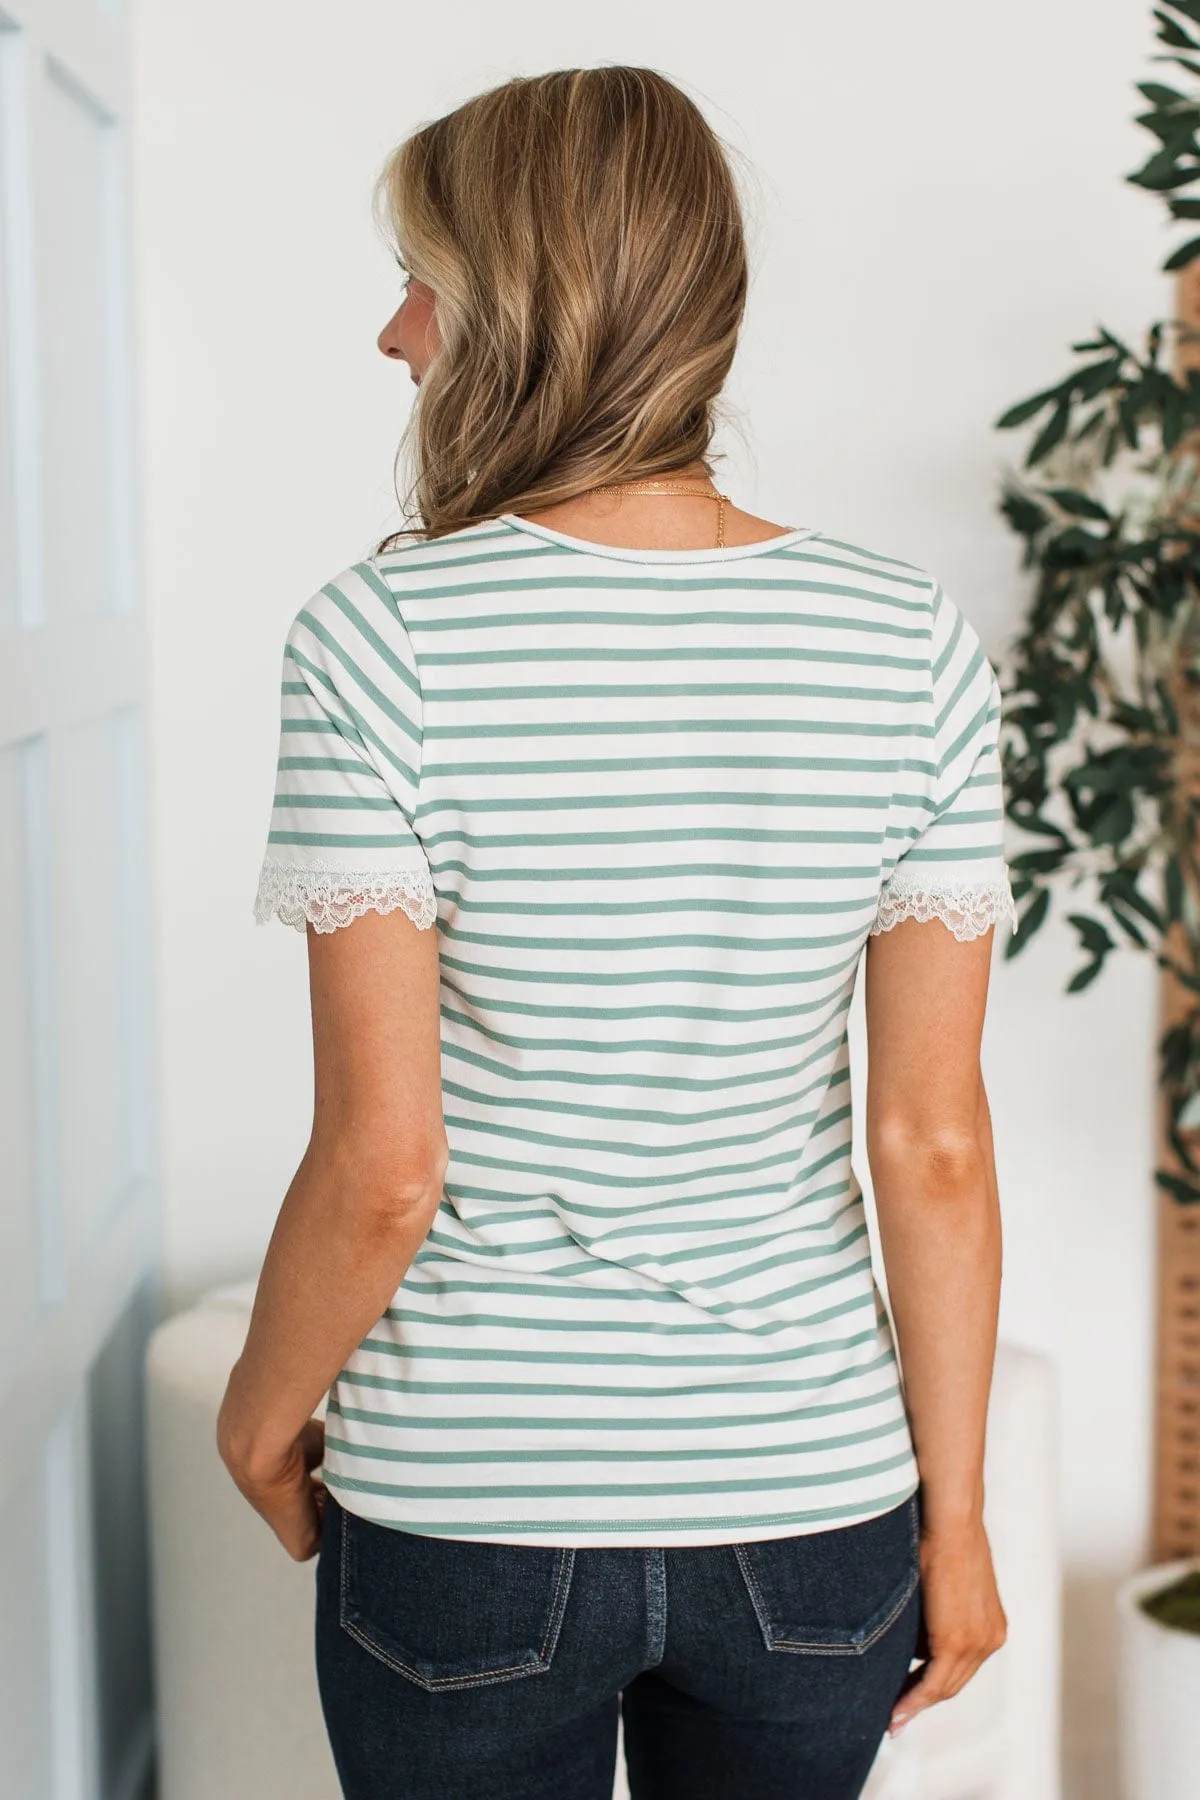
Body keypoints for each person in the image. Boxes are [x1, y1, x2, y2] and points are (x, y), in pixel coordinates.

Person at [216, 63, 1012, 1800]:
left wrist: (260, 1423)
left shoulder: (381, 640)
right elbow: (933, 1144)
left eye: (419, 278)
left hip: (472, 1520)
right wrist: (957, 1526)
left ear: (517, 310)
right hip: (812, 1517)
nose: (394, 335)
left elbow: (382, 1167)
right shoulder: (907, 644)